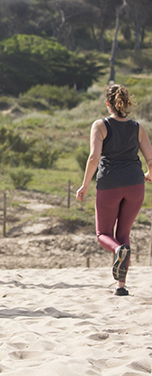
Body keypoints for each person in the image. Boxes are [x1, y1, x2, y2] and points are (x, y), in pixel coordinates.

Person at [76, 84, 152, 296]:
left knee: (103, 234)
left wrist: (84, 185)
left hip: (110, 184)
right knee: (124, 233)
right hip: (136, 184)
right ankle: (121, 286)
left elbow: (94, 157)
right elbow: (150, 158)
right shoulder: (138, 127)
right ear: (127, 103)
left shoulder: (100, 125)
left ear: (107, 103)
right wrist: (149, 174)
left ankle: (118, 250)